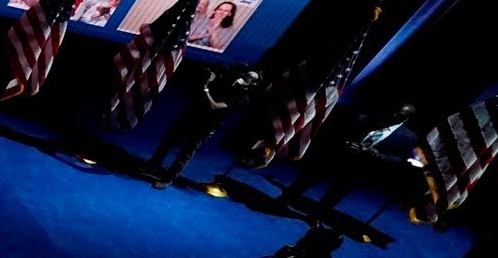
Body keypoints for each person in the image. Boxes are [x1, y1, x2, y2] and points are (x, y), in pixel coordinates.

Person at [280, 103, 436, 223]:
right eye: (394, 112)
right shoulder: (367, 119)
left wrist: (378, 154)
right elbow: (340, 132)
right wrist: (348, 142)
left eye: (399, 115)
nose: (394, 116)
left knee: (336, 192)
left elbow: (402, 160)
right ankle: (285, 199)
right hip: (338, 156)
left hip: (361, 168)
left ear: (406, 118)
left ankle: (316, 216)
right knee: (310, 177)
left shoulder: (407, 137)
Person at [146, 65, 260, 188]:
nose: (243, 76)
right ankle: (153, 165)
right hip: (191, 114)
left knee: (186, 152)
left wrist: (206, 87)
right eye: (245, 74)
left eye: (248, 77)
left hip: (206, 125)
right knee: (168, 141)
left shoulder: (243, 99)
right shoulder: (226, 81)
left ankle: (168, 179)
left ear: (252, 84)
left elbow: (215, 106)